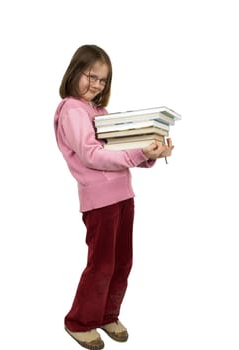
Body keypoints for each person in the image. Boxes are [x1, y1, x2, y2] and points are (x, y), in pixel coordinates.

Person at [54, 44, 174, 350]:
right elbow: (92, 155)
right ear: (74, 72)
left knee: (122, 261)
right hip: (100, 201)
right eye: (90, 76)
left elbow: (120, 152)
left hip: (122, 195)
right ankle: (79, 322)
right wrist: (137, 153)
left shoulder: (99, 111)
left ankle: (107, 314)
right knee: (102, 264)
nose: (96, 84)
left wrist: (151, 154)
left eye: (103, 80)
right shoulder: (71, 110)